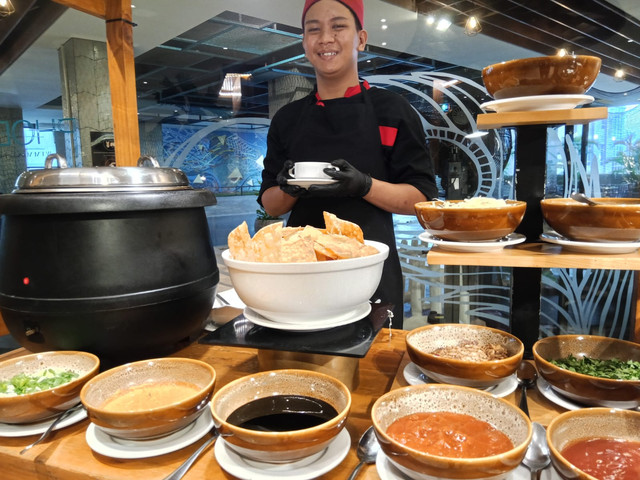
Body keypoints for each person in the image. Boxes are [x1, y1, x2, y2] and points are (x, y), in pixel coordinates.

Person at [257, 0, 438, 327]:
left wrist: (364, 185)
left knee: (370, 370)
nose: (325, 37)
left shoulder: (392, 111)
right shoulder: (287, 119)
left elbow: (422, 199)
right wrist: (289, 187)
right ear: (304, 42)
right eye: (314, 29)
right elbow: (271, 205)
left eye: (338, 26)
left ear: (361, 38)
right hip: (301, 274)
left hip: (370, 275)